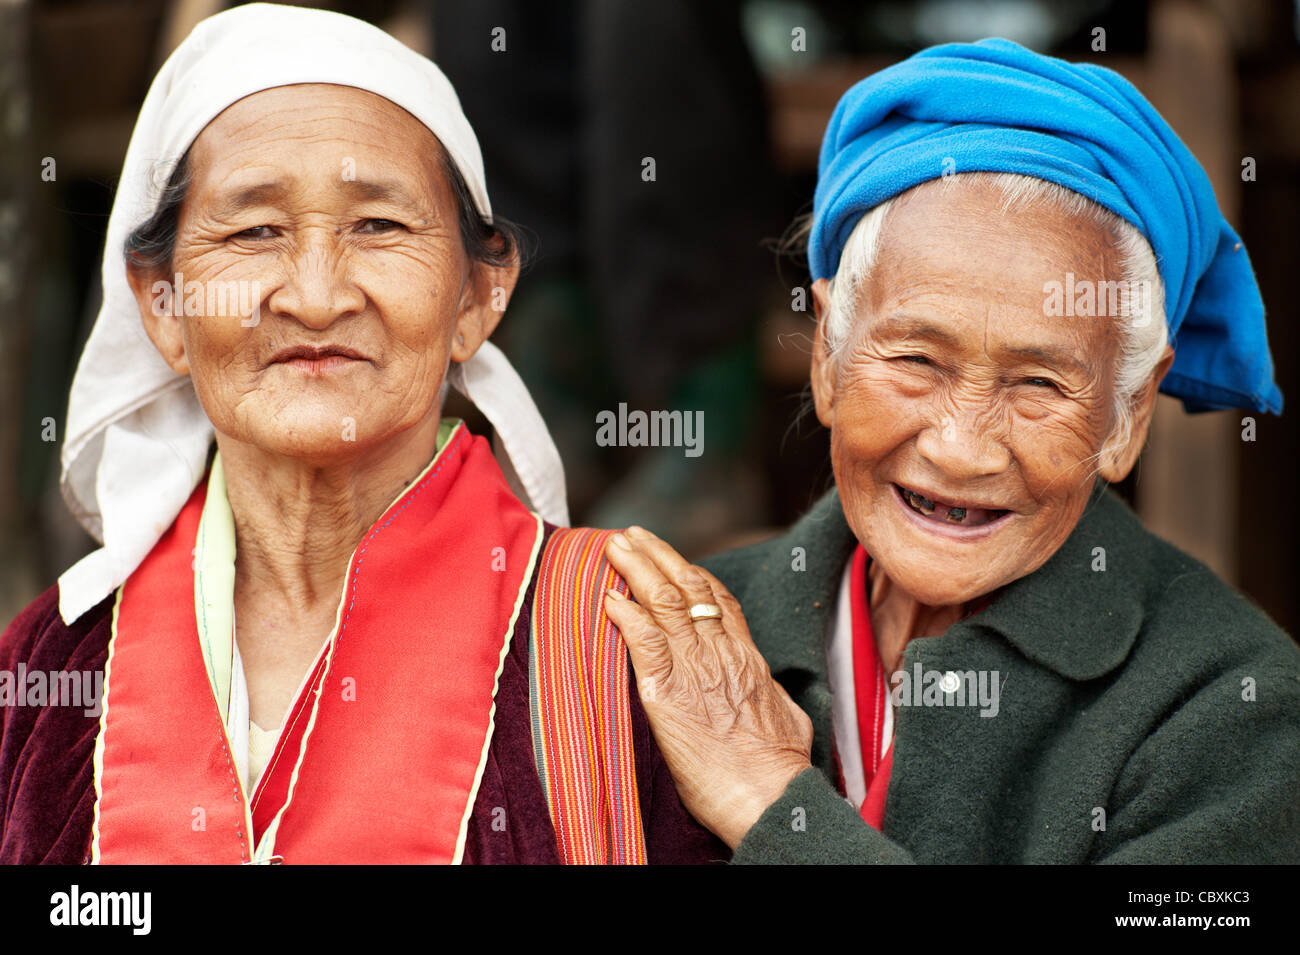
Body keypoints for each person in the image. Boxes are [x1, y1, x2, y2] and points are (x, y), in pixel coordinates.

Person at [0, 2, 722, 865]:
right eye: (254, 230)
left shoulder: (630, 647)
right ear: (163, 305)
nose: (315, 294)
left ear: (479, 297)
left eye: (378, 226)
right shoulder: (51, 669)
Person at [601, 38, 1300, 863]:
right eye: (916, 361)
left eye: (1039, 383)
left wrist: (766, 801)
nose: (963, 448)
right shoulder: (680, 641)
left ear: (1127, 414)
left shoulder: (1232, 710)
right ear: (827, 356)